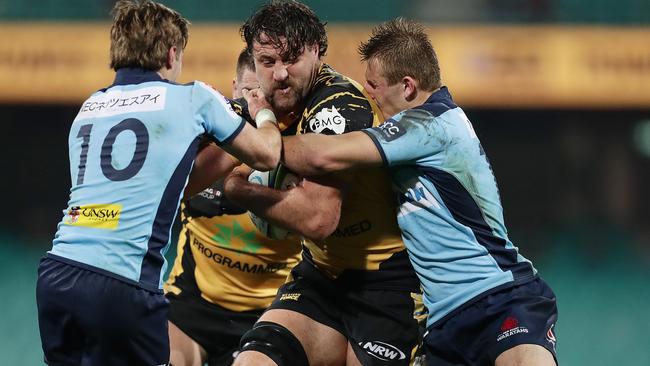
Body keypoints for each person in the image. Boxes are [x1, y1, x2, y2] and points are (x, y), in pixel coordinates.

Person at [280, 18, 559, 366]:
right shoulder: (424, 127)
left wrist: (255, 142)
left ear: (408, 87)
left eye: (374, 85)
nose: (368, 93)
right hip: (442, 323)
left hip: (498, 296)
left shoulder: (429, 126)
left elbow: (323, 153)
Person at [35, 2, 281, 365]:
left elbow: (171, 179)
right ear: (171, 53)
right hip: (122, 283)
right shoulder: (194, 97)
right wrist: (262, 111)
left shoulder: (89, 107)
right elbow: (268, 155)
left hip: (57, 275)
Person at [219, 1, 424, 365]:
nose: (280, 74)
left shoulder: (339, 104)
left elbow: (319, 218)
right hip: (320, 278)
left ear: (316, 51)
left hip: (387, 283)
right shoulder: (261, 106)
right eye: (267, 62)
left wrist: (238, 188)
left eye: (292, 59)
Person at [164, 48, 302, 366]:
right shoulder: (196, 142)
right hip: (191, 303)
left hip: (272, 312)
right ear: (234, 90)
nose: (256, 107)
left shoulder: (301, 153)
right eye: (250, 95)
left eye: (265, 99)